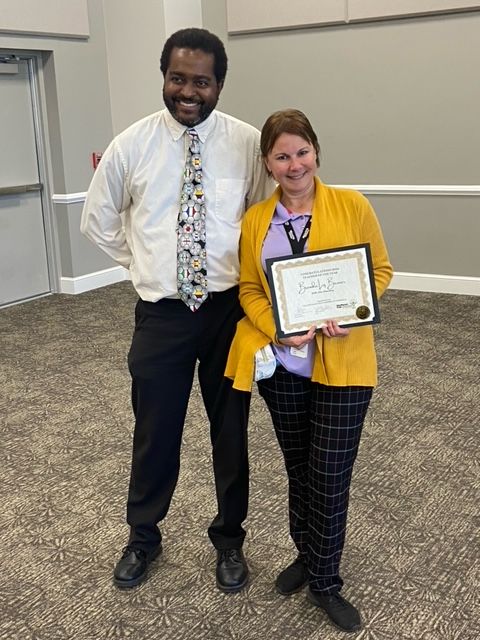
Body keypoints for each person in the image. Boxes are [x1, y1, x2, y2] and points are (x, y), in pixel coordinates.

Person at [81, 28, 274, 593]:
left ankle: (230, 540)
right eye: (177, 78)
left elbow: (263, 221)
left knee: (230, 431)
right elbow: (98, 220)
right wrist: (145, 264)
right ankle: (143, 537)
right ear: (163, 76)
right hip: (161, 315)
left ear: (219, 84)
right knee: (155, 430)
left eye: (201, 81)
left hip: (227, 313)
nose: (188, 91)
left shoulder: (245, 142)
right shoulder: (131, 145)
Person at [225, 109, 393, 631]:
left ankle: (325, 580)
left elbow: (379, 271)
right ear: (268, 164)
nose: (294, 164)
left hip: (344, 364)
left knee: (330, 473)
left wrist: (355, 310)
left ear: (316, 152)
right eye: (282, 156)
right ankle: (307, 554)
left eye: (302, 152)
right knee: (299, 469)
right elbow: (250, 288)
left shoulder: (351, 205)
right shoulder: (257, 219)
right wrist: (275, 326)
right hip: (284, 367)